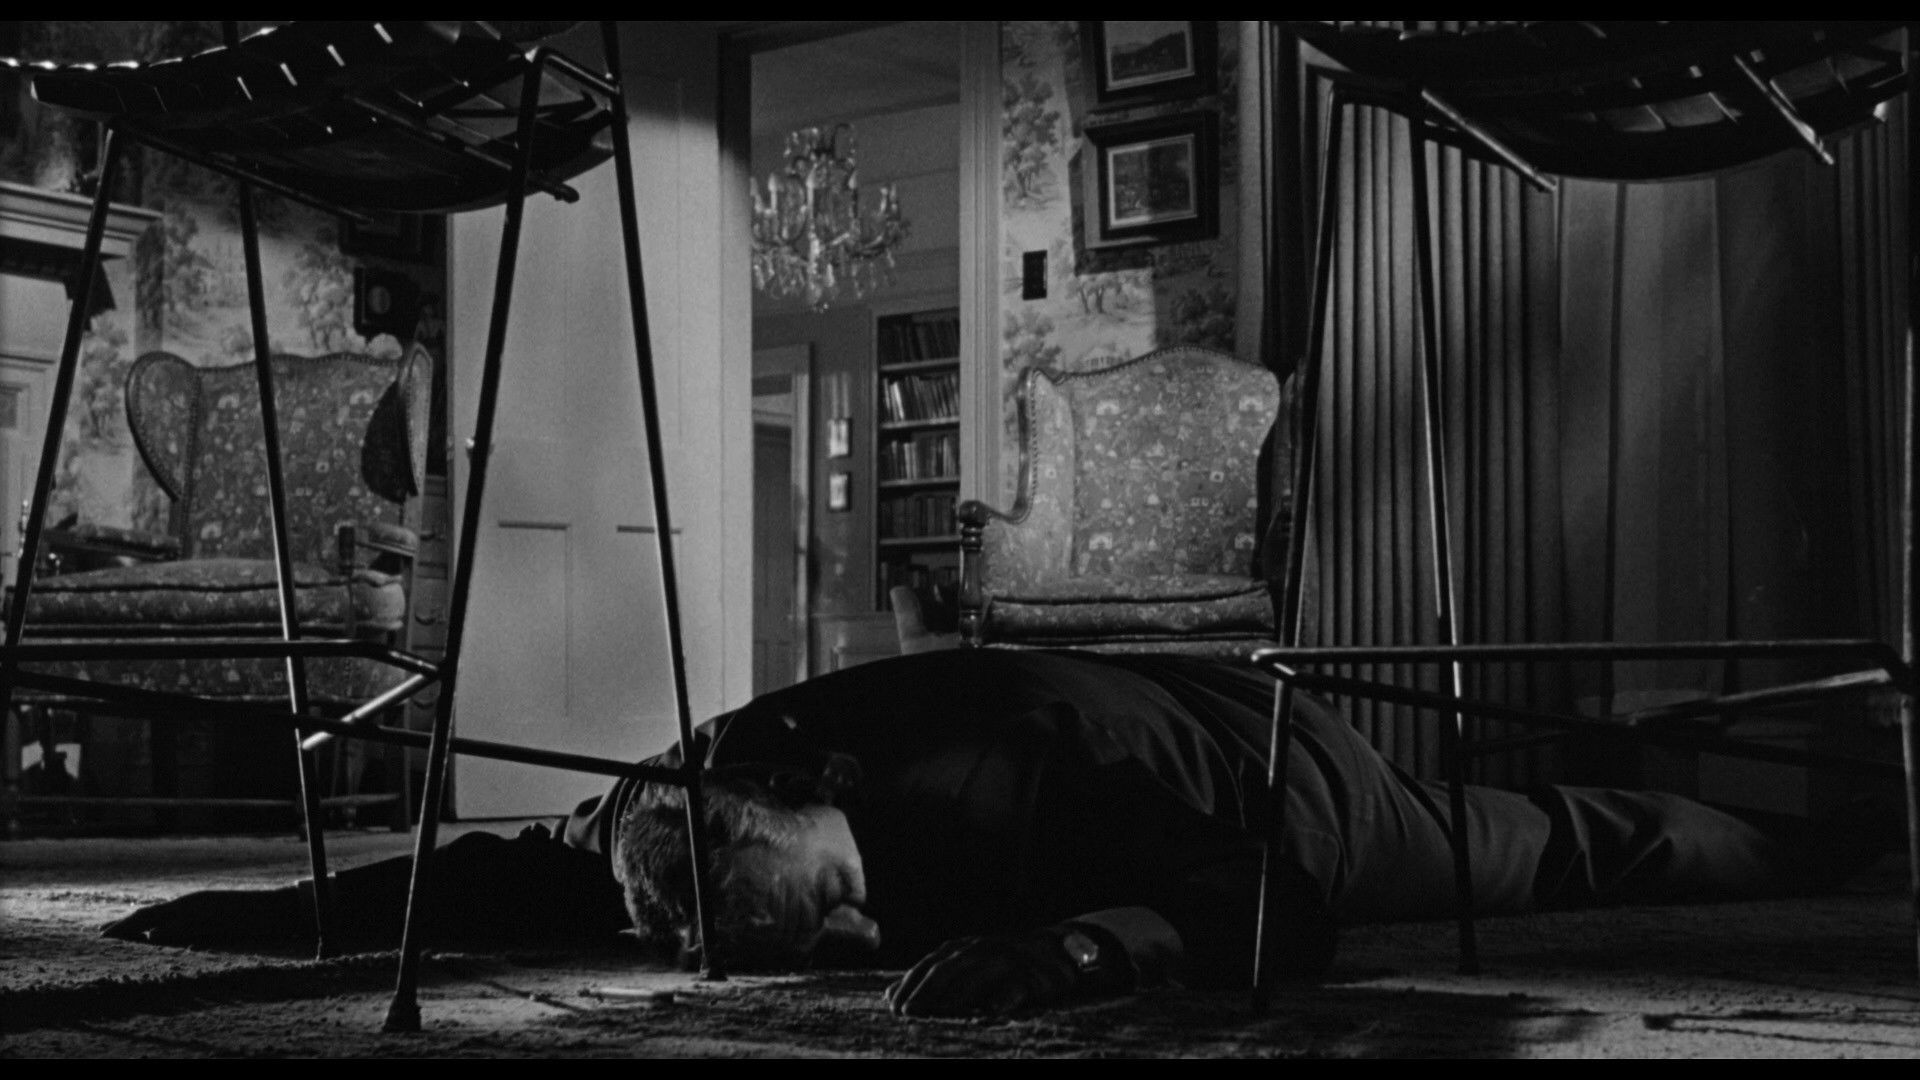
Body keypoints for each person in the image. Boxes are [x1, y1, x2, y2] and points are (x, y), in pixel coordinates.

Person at [103, 649, 1897, 1018]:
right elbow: (495, 874)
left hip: (1274, 772)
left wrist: (1079, 951)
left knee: (1571, 842)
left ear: (823, 806)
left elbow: (1264, 902)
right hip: (1122, 743)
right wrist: (247, 912)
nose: (848, 956)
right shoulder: (677, 803)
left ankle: (1842, 838)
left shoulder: (1030, 783)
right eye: (678, 936)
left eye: (755, 909)